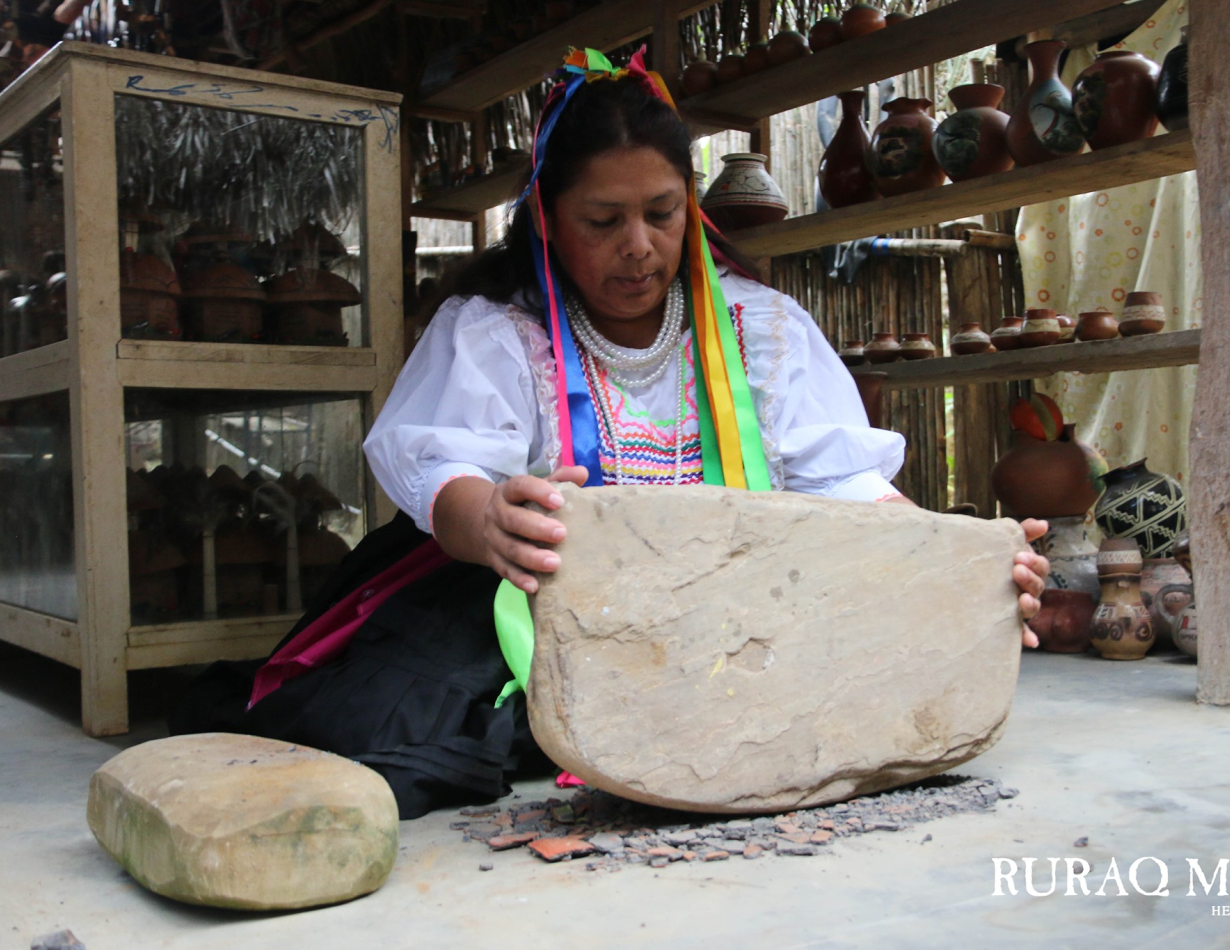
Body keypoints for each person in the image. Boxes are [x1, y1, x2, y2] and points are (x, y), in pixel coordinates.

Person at [171, 47, 1049, 819]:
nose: (638, 246)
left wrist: (957, 560)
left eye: (662, 214)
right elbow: (440, 470)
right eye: (603, 221)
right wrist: (488, 521)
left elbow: (845, 485)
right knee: (407, 724)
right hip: (523, 594)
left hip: (729, 596)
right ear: (549, 220)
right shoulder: (494, 332)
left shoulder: (761, 330)